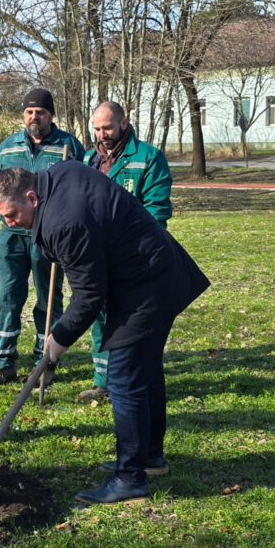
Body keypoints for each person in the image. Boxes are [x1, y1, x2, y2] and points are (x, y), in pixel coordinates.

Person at [0, 163, 208, 504]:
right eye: (3, 217)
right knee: (145, 371)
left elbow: (89, 296)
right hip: (154, 271)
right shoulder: (59, 174)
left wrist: (59, 338)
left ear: (32, 197)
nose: (9, 224)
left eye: (12, 215)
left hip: (145, 286)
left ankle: (130, 479)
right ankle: (149, 456)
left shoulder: (63, 223)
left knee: (123, 380)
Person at [0, 88, 87, 385]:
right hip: (11, 236)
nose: (34, 117)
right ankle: (3, 363)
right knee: (6, 297)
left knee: (48, 299)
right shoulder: (8, 148)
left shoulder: (68, 146)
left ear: (51, 115)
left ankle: (45, 363)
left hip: (50, 235)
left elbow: (82, 189)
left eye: (40, 112)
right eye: (29, 112)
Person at [79, 101, 173, 408]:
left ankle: (129, 378)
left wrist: (132, 245)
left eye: (107, 128)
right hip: (97, 253)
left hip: (134, 256)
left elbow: (157, 210)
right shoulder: (89, 159)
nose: (101, 134)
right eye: (96, 128)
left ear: (123, 123)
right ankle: (102, 380)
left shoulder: (148, 158)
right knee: (98, 312)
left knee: (128, 320)